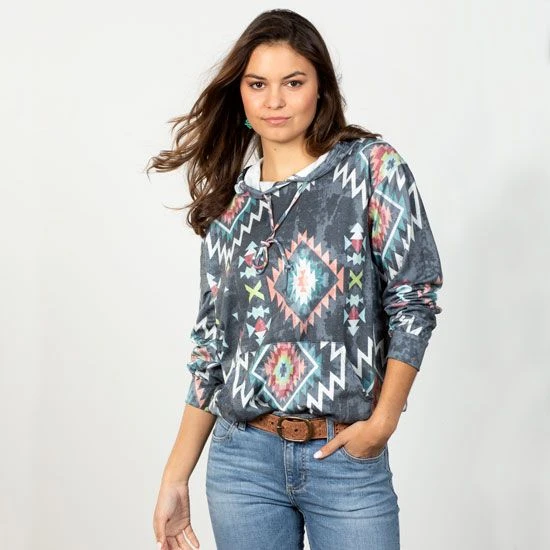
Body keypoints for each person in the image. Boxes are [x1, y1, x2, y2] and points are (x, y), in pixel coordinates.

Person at [148, 8, 443, 550]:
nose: (274, 101)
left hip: (345, 456)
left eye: (293, 82)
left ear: (320, 88)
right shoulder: (229, 206)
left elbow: (414, 299)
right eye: (257, 84)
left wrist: (382, 423)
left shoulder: (371, 168)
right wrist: (174, 478)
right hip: (241, 464)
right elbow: (211, 350)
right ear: (240, 95)